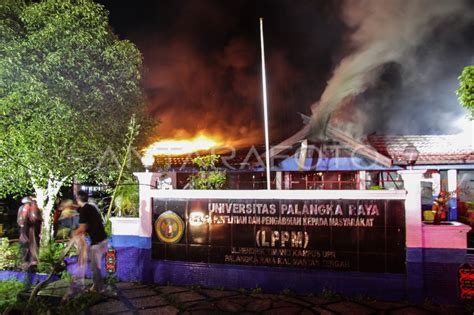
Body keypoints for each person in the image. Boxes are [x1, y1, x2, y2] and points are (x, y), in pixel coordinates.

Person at [74, 190, 108, 292]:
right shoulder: (91, 207)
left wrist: (74, 235)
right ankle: (96, 285)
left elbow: (82, 228)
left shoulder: (84, 210)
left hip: (97, 242)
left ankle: (97, 288)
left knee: (94, 266)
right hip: (102, 239)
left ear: (78, 199)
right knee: (92, 262)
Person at [17, 196, 42, 271]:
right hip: (33, 231)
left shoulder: (22, 208)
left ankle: (25, 263)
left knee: (24, 246)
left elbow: (20, 221)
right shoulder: (36, 209)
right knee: (33, 246)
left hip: (25, 230)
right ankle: (33, 262)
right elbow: (39, 220)